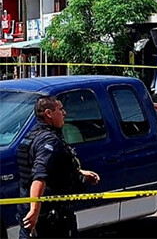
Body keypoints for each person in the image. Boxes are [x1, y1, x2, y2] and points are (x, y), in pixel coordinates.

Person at [17, 96, 100, 238]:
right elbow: (39, 176)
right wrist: (34, 211)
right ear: (49, 113)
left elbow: (51, 168)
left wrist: (79, 173)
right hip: (50, 219)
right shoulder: (48, 140)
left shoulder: (33, 135)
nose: (65, 113)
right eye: (60, 109)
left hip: (35, 214)